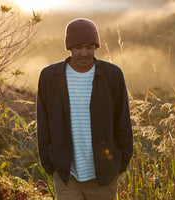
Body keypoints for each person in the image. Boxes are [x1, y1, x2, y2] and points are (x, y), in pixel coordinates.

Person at [37, 18, 133, 200]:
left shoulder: (112, 75)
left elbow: (123, 123)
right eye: (78, 47)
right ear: (69, 48)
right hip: (67, 176)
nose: (84, 53)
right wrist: (50, 165)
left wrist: (120, 163)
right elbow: (43, 124)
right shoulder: (50, 77)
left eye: (90, 47)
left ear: (96, 47)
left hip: (104, 176)